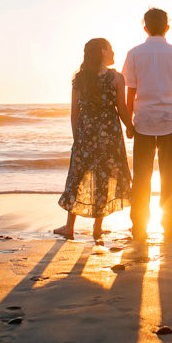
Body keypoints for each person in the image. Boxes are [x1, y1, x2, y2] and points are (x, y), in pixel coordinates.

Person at [121, 8, 172, 240]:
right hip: (170, 120)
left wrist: (129, 122)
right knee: (169, 174)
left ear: (145, 27)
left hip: (143, 120)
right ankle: (170, 224)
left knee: (142, 176)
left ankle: (139, 226)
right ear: (167, 27)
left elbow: (130, 91)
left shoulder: (134, 53)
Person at [56, 38, 134, 241]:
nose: (114, 52)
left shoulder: (80, 78)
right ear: (102, 51)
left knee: (78, 175)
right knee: (104, 177)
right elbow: (121, 108)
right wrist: (131, 128)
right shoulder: (116, 78)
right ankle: (97, 229)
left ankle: (69, 227)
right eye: (110, 49)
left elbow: (74, 112)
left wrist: (77, 138)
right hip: (109, 135)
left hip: (85, 133)